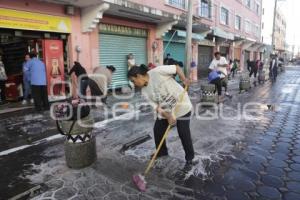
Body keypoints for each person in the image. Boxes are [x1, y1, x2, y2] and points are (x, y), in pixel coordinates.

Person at [127, 64, 197, 168]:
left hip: (182, 105)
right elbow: (156, 107)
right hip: (167, 111)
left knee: (183, 132)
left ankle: (190, 158)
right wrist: (167, 116)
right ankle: (161, 152)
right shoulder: (144, 91)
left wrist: (183, 79)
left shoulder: (157, 72)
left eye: (133, 81)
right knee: (158, 130)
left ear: (138, 76)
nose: (134, 84)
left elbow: (176, 68)